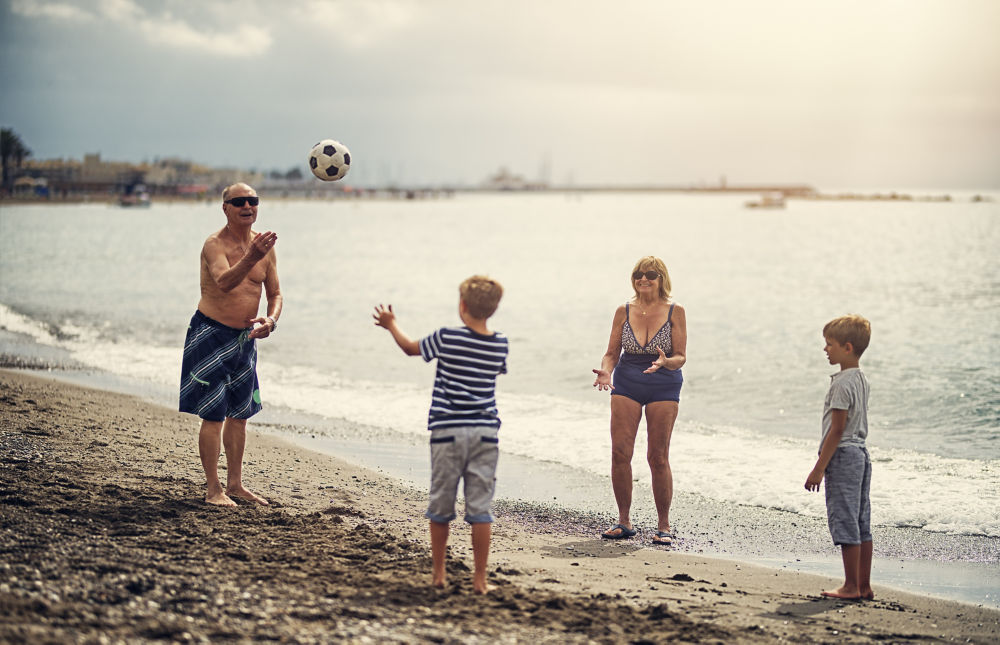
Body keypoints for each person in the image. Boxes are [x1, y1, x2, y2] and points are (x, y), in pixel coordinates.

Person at [373, 276, 508, 594]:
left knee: (442, 503)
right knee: (480, 507)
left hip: (448, 431)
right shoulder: (500, 343)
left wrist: (391, 324)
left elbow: (409, 349)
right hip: (486, 433)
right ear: (494, 309)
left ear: (462, 306)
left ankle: (438, 575)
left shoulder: (447, 337)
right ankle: (479, 580)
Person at [179, 183, 282, 507]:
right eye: (239, 201)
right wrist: (252, 254)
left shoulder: (264, 247)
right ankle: (214, 490)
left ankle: (235, 484)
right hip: (210, 334)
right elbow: (224, 283)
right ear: (225, 207)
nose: (247, 206)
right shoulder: (214, 245)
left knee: (240, 415)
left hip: (244, 339)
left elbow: (275, 293)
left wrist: (270, 320)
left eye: (252, 200)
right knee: (214, 415)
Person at [593, 256, 686, 545]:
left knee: (657, 457)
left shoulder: (675, 311)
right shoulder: (624, 310)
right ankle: (624, 521)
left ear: (661, 279)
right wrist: (606, 371)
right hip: (628, 380)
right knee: (620, 452)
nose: (643, 279)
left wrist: (665, 362)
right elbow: (611, 352)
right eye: (638, 274)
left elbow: (681, 357)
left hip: (663, 383)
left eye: (650, 274)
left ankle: (664, 526)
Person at [805, 314, 874, 600]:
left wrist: (818, 469)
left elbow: (837, 429)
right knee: (861, 522)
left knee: (845, 521)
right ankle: (864, 585)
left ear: (847, 347)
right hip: (860, 454)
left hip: (843, 456)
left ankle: (850, 586)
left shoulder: (841, 384)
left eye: (829, 345)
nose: (825, 349)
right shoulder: (861, 380)